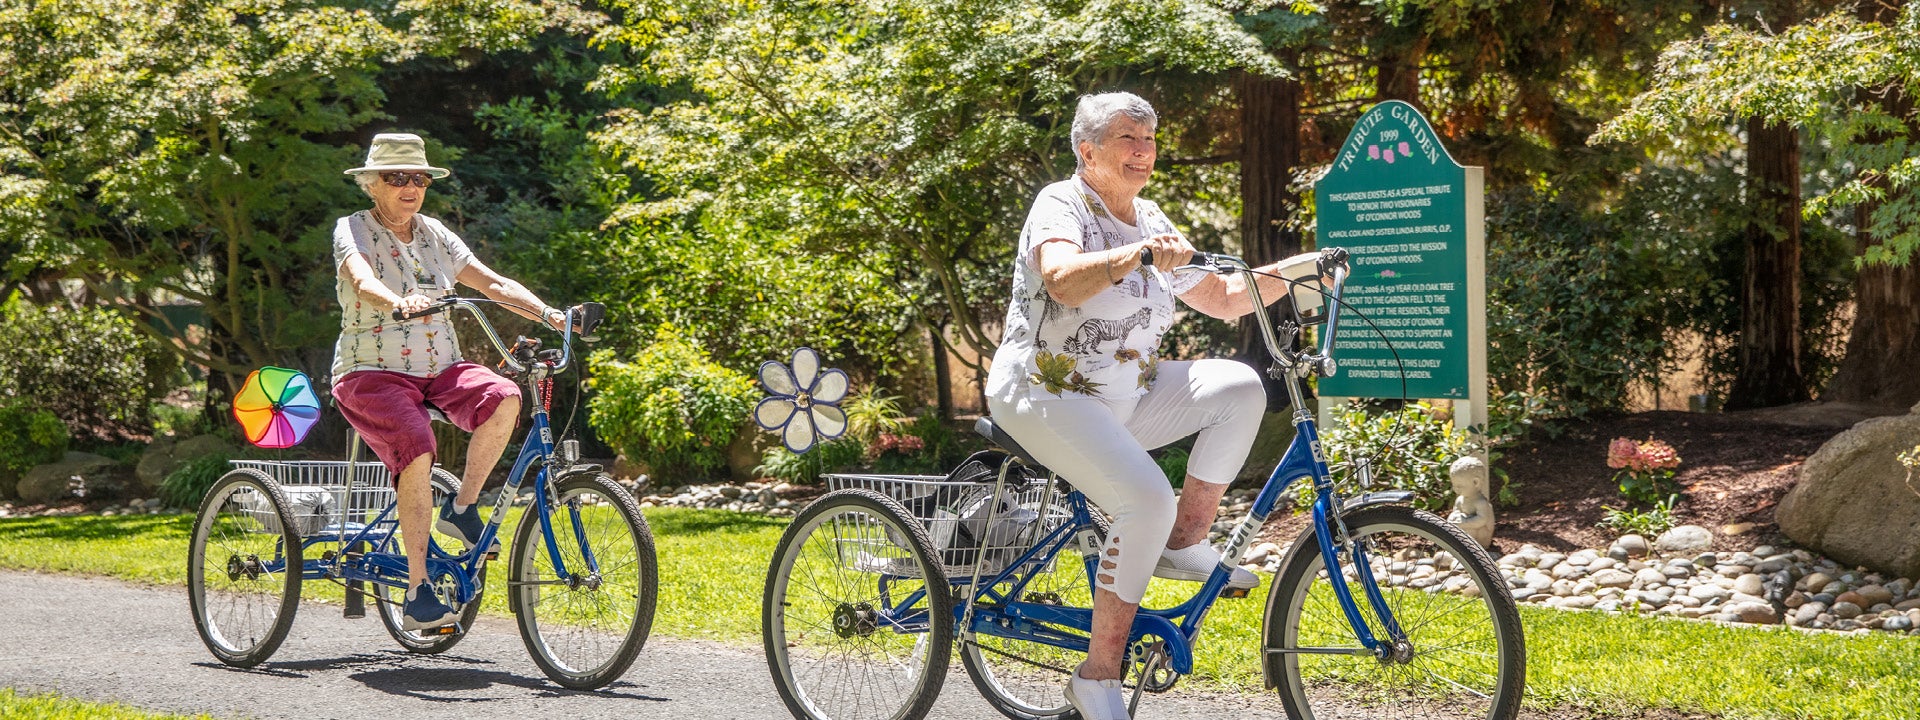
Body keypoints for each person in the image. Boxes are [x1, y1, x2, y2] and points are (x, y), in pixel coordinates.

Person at [984, 92, 1323, 720]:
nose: (1144, 152)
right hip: (1043, 390)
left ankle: (1182, 542)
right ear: (1088, 151)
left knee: (1240, 386)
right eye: (1128, 139)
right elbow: (1061, 278)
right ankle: (1097, 676)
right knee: (1144, 498)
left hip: (1123, 391)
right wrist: (1133, 256)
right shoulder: (1061, 202)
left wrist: (1308, 268)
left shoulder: (1149, 214)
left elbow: (1223, 296)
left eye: (1150, 141)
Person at [330, 133, 572, 631]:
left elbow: (493, 283)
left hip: (439, 369)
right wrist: (395, 301)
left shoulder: (435, 233)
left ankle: (461, 507)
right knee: (417, 443)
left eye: (418, 177)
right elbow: (359, 279)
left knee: (504, 395)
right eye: (397, 177)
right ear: (372, 184)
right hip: (369, 373)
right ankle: (418, 590)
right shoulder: (353, 228)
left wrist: (552, 316)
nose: (410, 186)